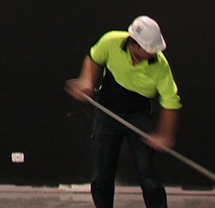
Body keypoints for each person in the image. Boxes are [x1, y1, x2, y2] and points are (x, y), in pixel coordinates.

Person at [66, 16, 182, 208]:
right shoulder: (111, 41)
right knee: (102, 172)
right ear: (134, 44)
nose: (154, 53)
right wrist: (87, 80)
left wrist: (165, 135)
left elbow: (171, 101)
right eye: (149, 49)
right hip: (107, 112)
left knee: (147, 171)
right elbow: (94, 57)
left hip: (138, 115)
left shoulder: (160, 66)